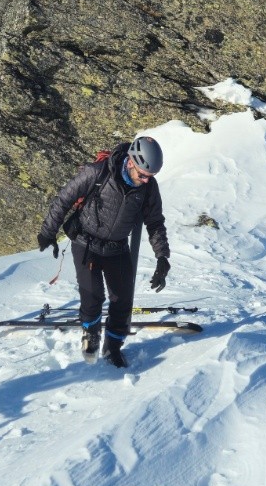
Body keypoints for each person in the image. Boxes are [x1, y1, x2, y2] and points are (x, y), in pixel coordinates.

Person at [37, 135, 170, 371]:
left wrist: (162, 257)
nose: (146, 180)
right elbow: (63, 199)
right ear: (130, 162)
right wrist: (48, 232)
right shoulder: (97, 173)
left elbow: (155, 222)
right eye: (143, 175)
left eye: (151, 177)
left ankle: (113, 347)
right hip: (85, 242)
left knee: (122, 301)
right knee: (93, 296)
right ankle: (91, 334)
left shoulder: (148, 189)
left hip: (117, 247)